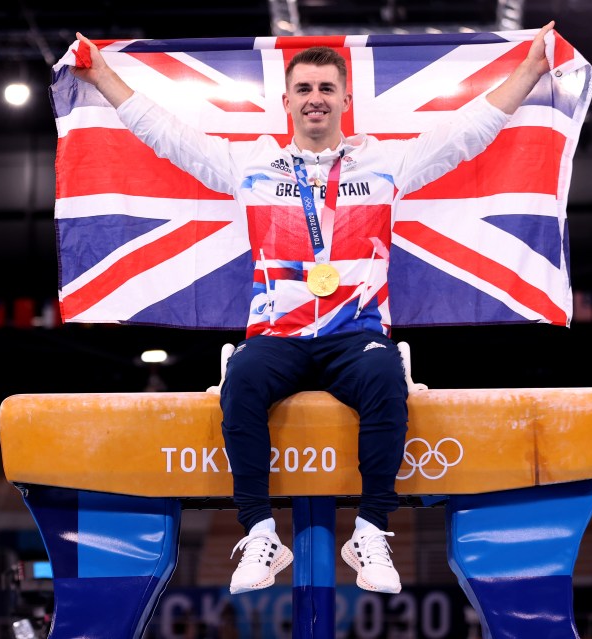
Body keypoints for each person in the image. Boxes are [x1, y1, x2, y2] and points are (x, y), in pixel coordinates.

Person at [71, 21, 555, 595]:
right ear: (288, 102)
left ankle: (370, 529)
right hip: (278, 336)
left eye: (326, 88)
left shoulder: (385, 166)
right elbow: (168, 135)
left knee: (383, 376)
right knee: (242, 379)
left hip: (357, 334)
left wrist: (530, 68)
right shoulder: (250, 168)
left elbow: (467, 132)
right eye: (305, 89)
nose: (316, 99)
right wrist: (99, 73)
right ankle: (259, 534)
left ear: (346, 100)